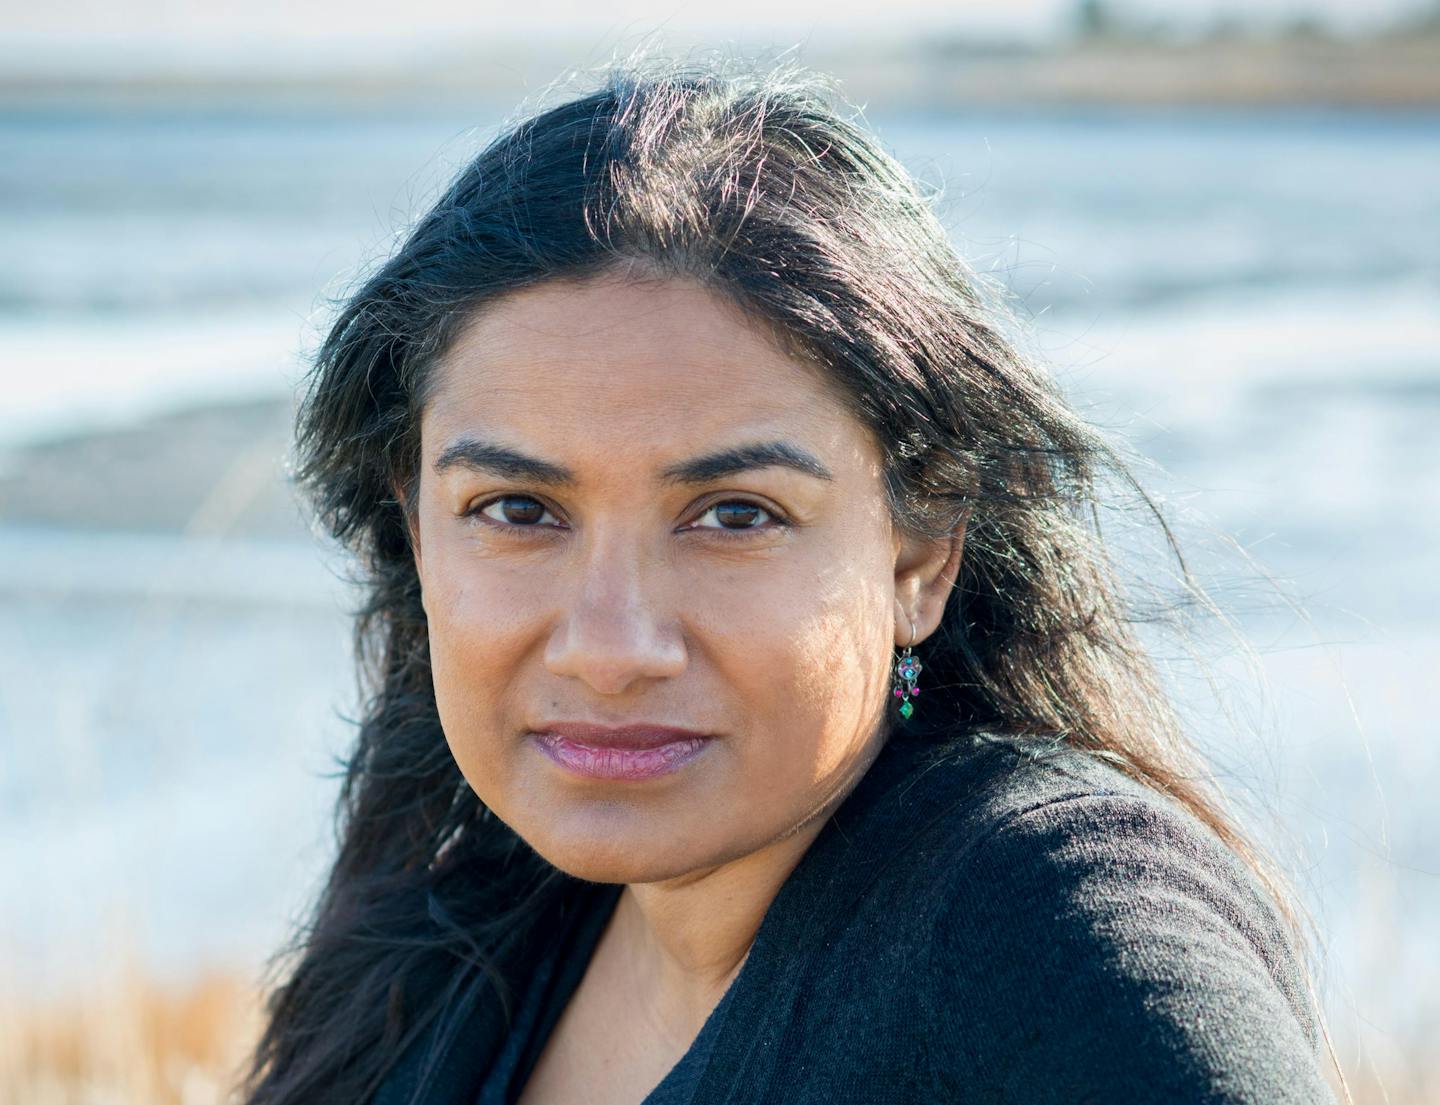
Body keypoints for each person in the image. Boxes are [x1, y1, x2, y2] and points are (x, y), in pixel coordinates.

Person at [240, 54, 1344, 1105]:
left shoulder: (1055, 918)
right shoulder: (474, 919)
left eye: (735, 515)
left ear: (919, 556)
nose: (611, 646)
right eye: (518, 511)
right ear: (415, 529)